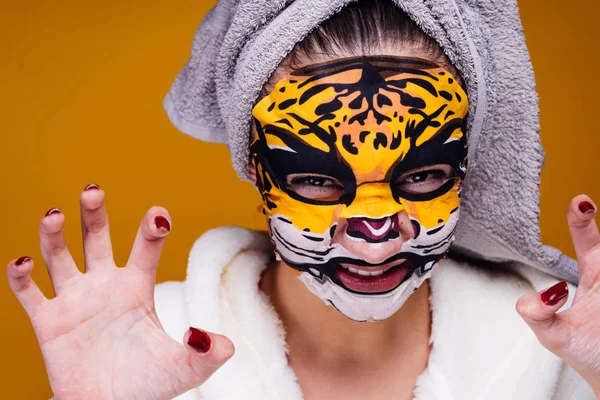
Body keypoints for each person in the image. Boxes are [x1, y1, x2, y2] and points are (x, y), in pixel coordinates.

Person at [6, 0, 600, 399]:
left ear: (467, 167)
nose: (375, 229)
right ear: (255, 165)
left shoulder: (569, 349)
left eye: (421, 177)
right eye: (317, 180)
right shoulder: (147, 343)